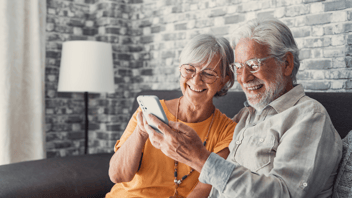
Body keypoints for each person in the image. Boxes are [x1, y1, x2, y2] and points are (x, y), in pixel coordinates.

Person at [143, 18, 343, 198]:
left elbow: (284, 194)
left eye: (254, 65)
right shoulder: (245, 117)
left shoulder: (308, 116)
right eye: (238, 67)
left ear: (287, 64)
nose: (244, 78)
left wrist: (200, 158)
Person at [106, 34, 237, 198]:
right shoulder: (149, 112)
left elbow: (203, 190)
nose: (196, 80)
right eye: (189, 69)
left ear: (224, 80)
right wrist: (140, 133)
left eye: (208, 73)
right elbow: (117, 176)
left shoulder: (227, 132)